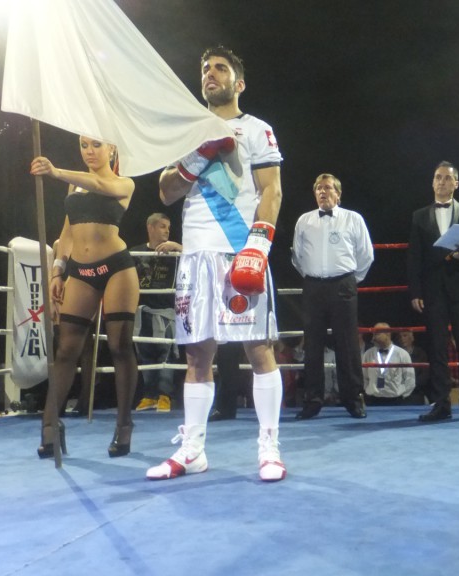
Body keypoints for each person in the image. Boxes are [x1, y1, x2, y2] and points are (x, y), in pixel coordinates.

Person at [146, 46, 286, 482]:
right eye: (205, 68)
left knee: (258, 349)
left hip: (239, 248)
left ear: (238, 83)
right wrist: (201, 151)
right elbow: (166, 192)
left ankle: (269, 448)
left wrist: (258, 246)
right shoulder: (187, 133)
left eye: (220, 68)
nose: (210, 73)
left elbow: (272, 191)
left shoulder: (258, 130)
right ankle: (193, 450)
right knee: (196, 356)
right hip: (195, 254)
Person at [31, 135, 139, 459]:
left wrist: (56, 171)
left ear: (112, 149)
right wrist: (57, 271)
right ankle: (50, 425)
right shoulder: (73, 187)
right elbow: (66, 233)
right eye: (83, 145)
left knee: (119, 346)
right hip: (80, 271)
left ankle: (124, 424)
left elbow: (98, 185)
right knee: (65, 349)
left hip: (117, 268)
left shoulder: (124, 183)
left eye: (96, 145)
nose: (89, 151)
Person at [408, 161, 459, 423]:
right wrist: (415, 291)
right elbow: (414, 257)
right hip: (432, 292)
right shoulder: (419, 216)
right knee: (437, 349)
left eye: (447, 178)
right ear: (432, 182)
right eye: (437, 177)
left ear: (456, 183)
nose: (441, 182)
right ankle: (441, 404)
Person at [291, 173, 374, 420]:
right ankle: (312, 401)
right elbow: (297, 257)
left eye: (327, 187)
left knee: (347, 344)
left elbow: (366, 255)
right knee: (313, 345)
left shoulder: (353, 219)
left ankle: (354, 399)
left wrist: (349, 280)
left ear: (338, 193)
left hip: (343, 285)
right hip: (314, 286)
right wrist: (314, 276)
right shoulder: (304, 221)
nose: (323, 191)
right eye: (318, 188)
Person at [131, 213, 182, 413]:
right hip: (142, 311)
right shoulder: (135, 252)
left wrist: (178, 247)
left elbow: (196, 258)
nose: (167, 230)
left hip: (166, 311)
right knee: (145, 356)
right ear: (150, 228)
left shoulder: (174, 253)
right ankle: (149, 395)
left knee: (166, 354)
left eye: (168, 227)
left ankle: (164, 396)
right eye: (162, 226)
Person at [362, 323, 416, 405]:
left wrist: (402, 395)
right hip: (373, 400)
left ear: (387, 334)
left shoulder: (402, 354)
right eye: (373, 334)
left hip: (395, 401)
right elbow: (364, 377)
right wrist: (368, 391)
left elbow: (410, 379)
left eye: (377, 334)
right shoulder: (368, 354)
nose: (373, 338)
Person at [397, 330, 430, 404]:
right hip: (398, 392)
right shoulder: (395, 354)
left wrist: (411, 385)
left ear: (412, 338)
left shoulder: (420, 353)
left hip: (416, 392)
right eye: (400, 337)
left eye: (405, 336)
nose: (402, 339)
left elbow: (425, 375)